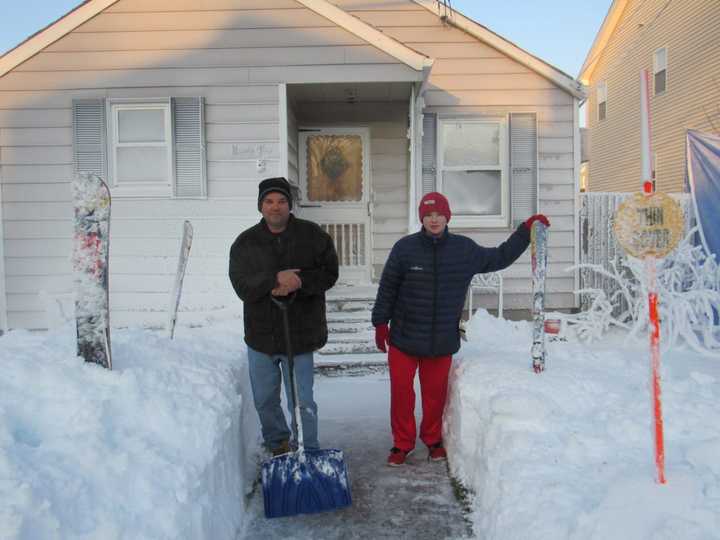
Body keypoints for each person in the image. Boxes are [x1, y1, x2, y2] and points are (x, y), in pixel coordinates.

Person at [372, 191, 549, 466]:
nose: (434, 219)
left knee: (435, 396)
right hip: (404, 338)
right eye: (428, 214)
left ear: (447, 217)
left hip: (440, 339)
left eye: (439, 214)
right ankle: (401, 444)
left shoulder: (463, 250)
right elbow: (388, 288)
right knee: (402, 394)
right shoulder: (405, 249)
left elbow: (499, 257)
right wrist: (380, 323)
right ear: (421, 217)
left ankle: (432, 440)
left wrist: (524, 232)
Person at [229, 177, 339, 456]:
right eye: (269, 201)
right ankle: (278, 444)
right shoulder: (245, 243)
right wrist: (273, 279)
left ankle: (308, 449)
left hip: (300, 334)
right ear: (260, 206)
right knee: (265, 399)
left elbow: (329, 274)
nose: (275, 207)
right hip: (261, 336)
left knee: (302, 401)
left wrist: (301, 282)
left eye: (281, 201)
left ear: (290, 205)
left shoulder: (313, 237)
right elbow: (242, 285)